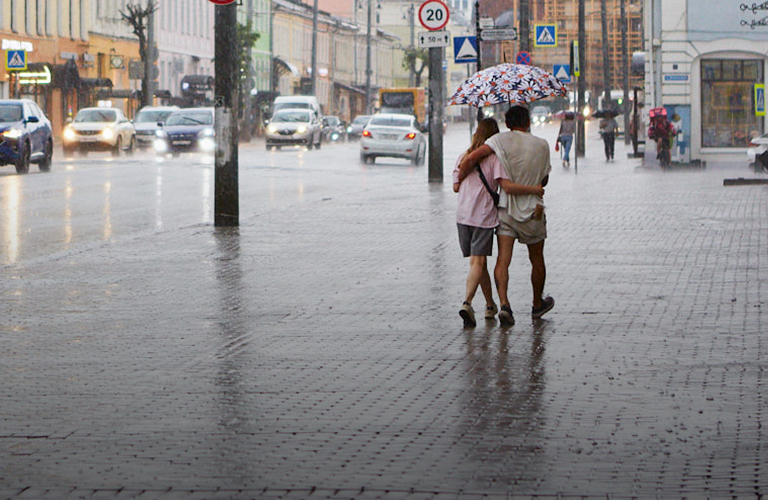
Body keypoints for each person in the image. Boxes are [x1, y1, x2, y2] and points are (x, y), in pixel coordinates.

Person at [458, 106, 554, 326]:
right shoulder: (542, 144)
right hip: (533, 210)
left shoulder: (499, 141)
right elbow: (544, 179)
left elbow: (474, 156)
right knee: (536, 258)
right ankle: (537, 304)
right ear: (528, 122)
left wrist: (459, 176)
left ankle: (504, 305)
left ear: (508, 123)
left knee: (503, 259)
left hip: (506, 210)